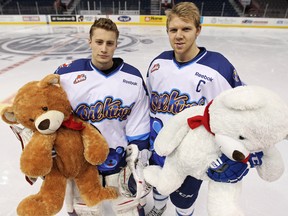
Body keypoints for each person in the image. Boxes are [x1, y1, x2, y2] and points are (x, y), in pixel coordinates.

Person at [145, 2, 262, 216]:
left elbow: (242, 108)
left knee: (183, 201)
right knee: (158, 186)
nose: (179, 36)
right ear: (167, 32)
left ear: (198, 30)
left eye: (186, 29)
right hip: (159, 147)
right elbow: (147, 104)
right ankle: (159, 207)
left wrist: (253, 146)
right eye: (173, 30)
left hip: (192, 156)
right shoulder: (157, 64)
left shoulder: (218, 67)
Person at [54, 18, 151, 216]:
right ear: (89, 41)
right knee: (85, 211)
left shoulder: (132, 78)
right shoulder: (67, 74)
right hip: (81, 162)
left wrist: (137, 159)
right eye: (99, 42)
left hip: (121, 159)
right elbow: (51, 112)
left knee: (129, 210)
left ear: (116, 44)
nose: (104, 49)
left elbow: (138, 122)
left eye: (109, 43)